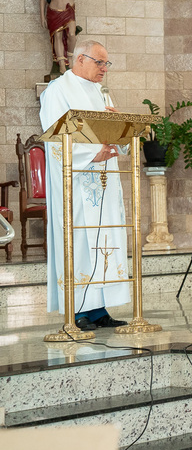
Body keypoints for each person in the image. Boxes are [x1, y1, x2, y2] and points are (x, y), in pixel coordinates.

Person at [39, 40, 130, 330]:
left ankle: (99, 309)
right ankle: (78, 309)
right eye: (99, 62)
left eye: (106, 63)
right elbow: (55, 136)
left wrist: (120, 127)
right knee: (79, 242)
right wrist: (92, 154)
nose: (105, 69)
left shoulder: (102, 93)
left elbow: (116, 136)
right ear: (80, 59)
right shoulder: (58, 91)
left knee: (104, 241)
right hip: (77, 182)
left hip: (104, 180)